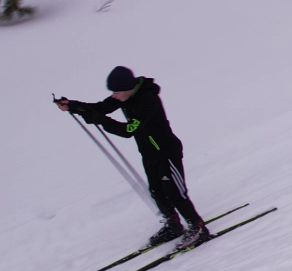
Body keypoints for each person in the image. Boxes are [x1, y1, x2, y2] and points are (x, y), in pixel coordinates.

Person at [58, 67, 212, 248]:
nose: (114, 96)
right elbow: (101, 108)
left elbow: (128, 130)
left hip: (166, 152)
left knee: (175, 194)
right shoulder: (125, 95)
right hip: (149, 153)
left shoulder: (147, 99)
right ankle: (174, 226)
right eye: (112, 92)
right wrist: (73, 105)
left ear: (129, 88)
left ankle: (198, 227)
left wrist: (100, 120)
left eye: (117, 92)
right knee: (156, 192)